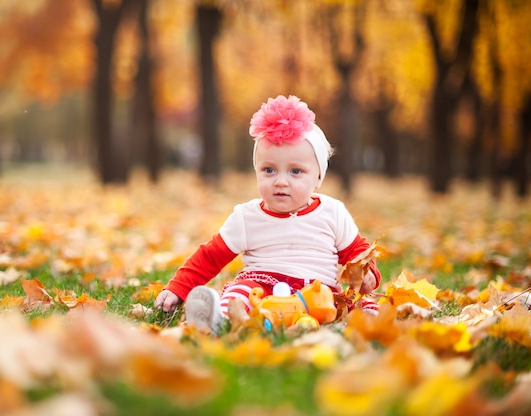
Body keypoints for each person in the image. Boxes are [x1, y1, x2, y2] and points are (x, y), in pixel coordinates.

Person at [154, 95, 381, 334]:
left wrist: (368, 274)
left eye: (295, 171)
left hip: (319, 292)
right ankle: (219, 319)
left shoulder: (332, 212)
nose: (280, 182)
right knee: (238, 293)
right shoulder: (247, 217)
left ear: (318, 178)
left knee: (356, 303)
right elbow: (210, 257)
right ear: (257, 171)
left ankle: (366, 323)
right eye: (269, 170)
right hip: (262, 288)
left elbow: (358, 252)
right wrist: (178, 288)